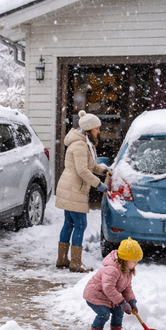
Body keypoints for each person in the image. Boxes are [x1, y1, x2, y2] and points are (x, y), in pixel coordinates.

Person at [56, 110, 109, 273]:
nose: (99, 131)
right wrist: (99, 184)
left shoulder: (84, 142)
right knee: (80, 224)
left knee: (69, 223)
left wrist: (104, 170)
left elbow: (91, 166)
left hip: (70, 187)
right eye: (97, 129)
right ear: (88, 129)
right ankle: (75, 262)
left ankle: (63, 259)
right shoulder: (80, 145)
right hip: (74, 189)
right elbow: (82, 171)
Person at [83, 237, 143, 330]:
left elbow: (127, 288)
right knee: (103, 314)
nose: (136, 264)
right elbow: (108, 288)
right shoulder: (112, 269)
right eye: (134, 261)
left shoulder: (127, 271)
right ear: (125, 259)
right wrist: (121, 302)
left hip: (109, 297)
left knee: (118, 311)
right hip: (96, 296)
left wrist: (132, 301)